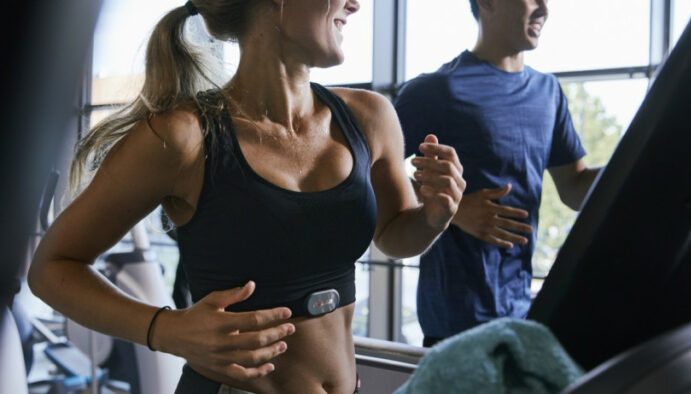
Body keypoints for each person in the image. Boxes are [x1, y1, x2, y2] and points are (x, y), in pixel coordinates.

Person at [28, 0, 466, 393]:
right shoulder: (184, 138)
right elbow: (51, 269)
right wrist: (165, 329)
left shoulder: (369, 117)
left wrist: (432, 217)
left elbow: (393, 236)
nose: (355, 4)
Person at [394, 0, 602, 348]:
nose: (543, 9)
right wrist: (452, 210)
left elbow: (575, 187)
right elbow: (371, 175)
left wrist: (650, 159)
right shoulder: (434, 91)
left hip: (521, 318)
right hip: (454, 326)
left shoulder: (548, 93)